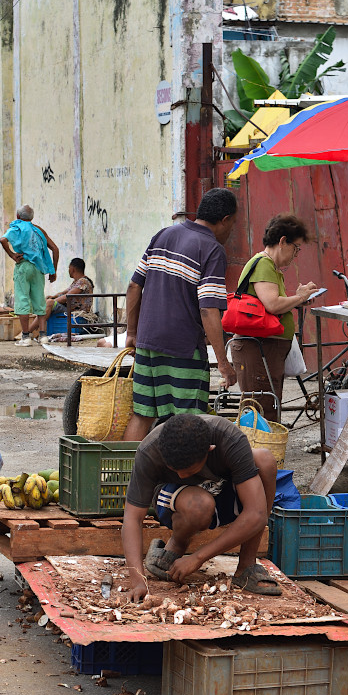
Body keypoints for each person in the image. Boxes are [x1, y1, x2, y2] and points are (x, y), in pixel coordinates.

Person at [120, 414, 280, 600]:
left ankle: (246, 566)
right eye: (175, 470)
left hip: (220, 490)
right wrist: (138, 581)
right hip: (177, 500)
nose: (181, 475)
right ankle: (175, 547)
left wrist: (197, 558)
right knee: (200, 505)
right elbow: (132, 518)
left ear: (209, 450)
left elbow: (256, 514)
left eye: (189, 471)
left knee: (265, 460)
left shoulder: (228, 438)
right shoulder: (149, 450)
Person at [122, 188, 238, 441]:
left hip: (147, 342)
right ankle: (181, 481)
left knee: (142, 414)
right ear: (226, 219)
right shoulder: (212, 249)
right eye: (233, 224)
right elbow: (208, 308)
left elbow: (133, 286)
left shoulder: (164, 234)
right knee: (187, 422)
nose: (231, 231)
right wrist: (223, 362)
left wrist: (131, 333)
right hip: (182, 348)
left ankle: (127, 478)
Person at [228, 213, 318, 423]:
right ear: (282, 241)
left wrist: (298, 299)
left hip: (265, 349)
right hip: (257, 349)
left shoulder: (272, 267)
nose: (296, 254)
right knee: (261, 409)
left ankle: (263, 453)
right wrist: (299, 296)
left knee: (267, 406)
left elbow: (272, 304)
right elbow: (273, 304)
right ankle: (258, 454)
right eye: (296, 248)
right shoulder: (264, 264)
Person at [0, 204, 58, 346]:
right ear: (31, 217)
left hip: (24, 266)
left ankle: (26, 337)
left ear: (18, 216)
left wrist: (12, 255)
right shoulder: (38, 230)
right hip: (39, 268)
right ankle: (43, 336)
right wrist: (53, 271)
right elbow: (55, 249)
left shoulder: (17, 227)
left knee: (22, 300)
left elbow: (2, 239)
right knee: (39, 301)